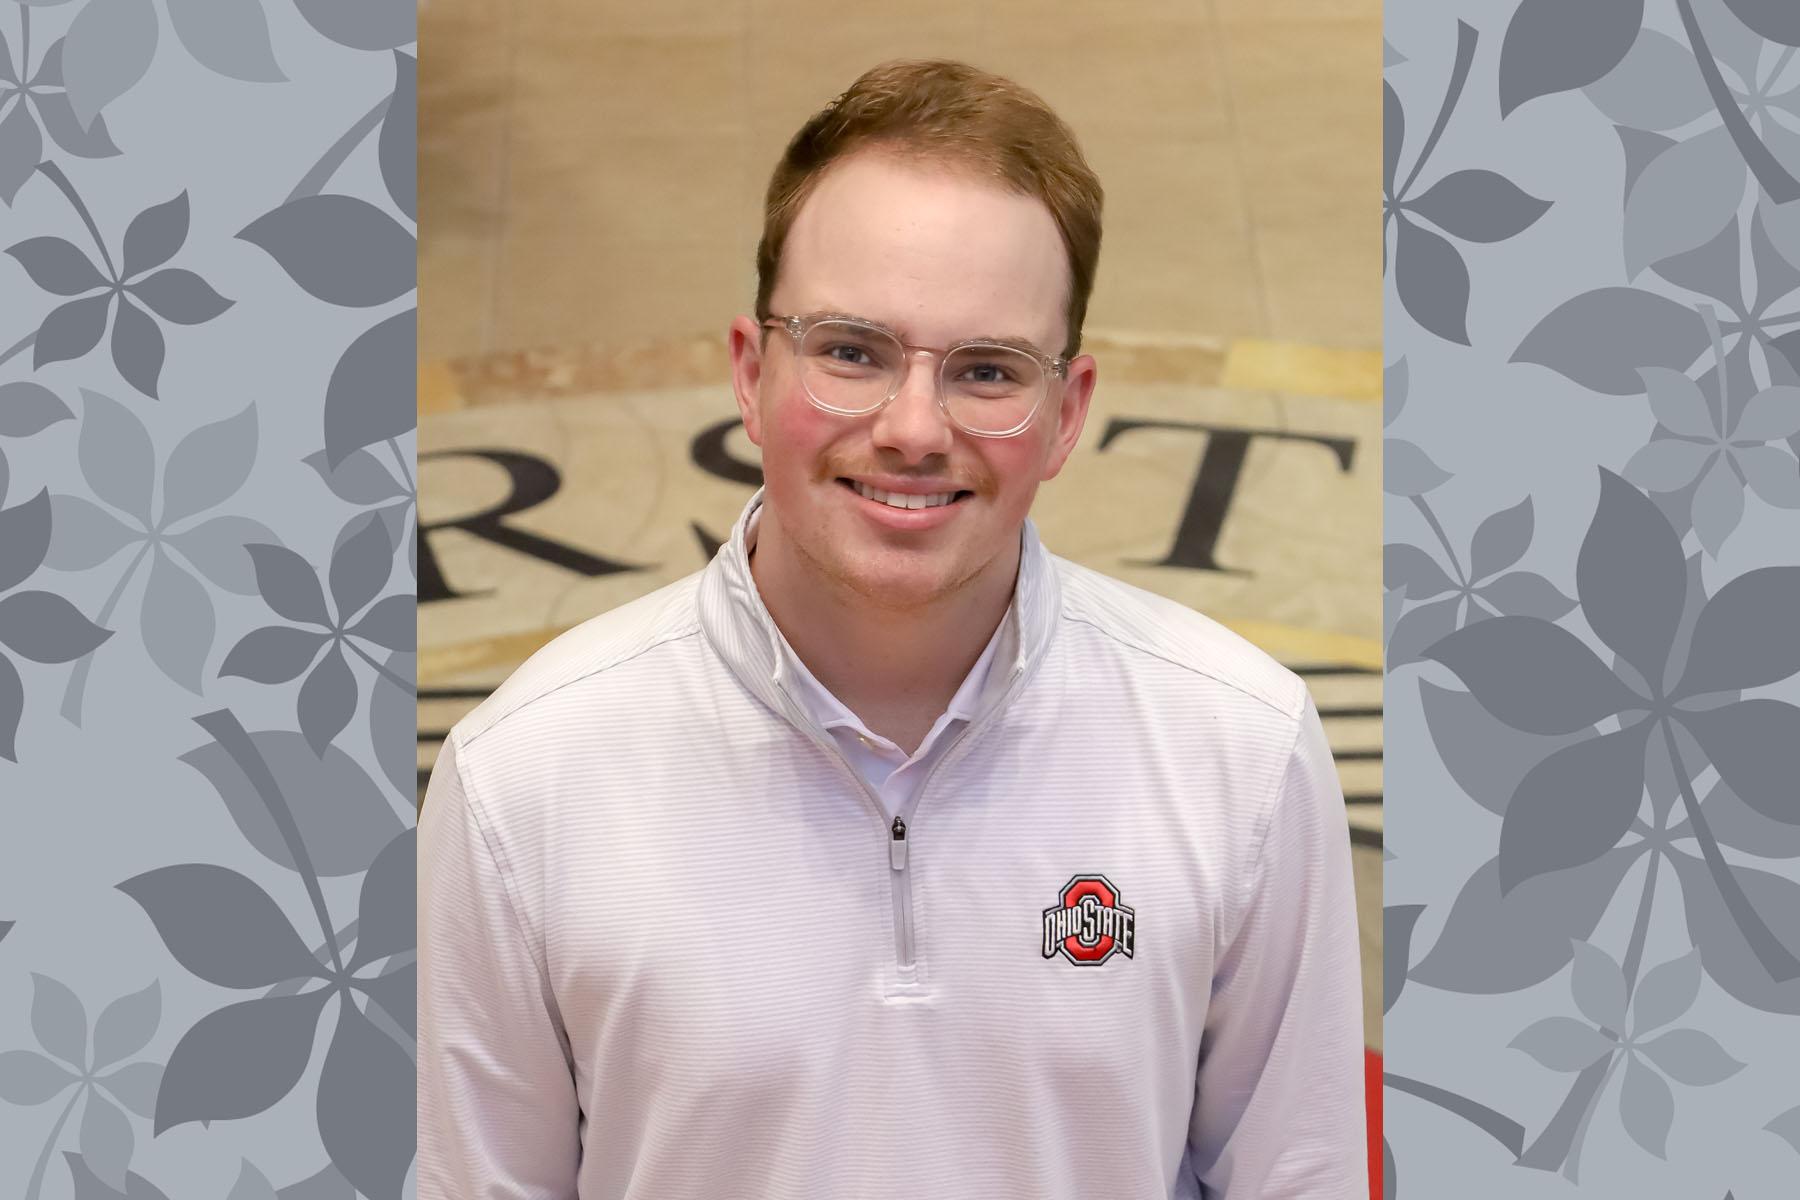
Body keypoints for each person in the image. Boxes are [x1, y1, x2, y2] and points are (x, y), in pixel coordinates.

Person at [418, 59, 1365, 1199]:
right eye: (852, 352)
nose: (914, 428)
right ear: (749, 372)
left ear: (1067, 416)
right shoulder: (524, 781)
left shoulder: (1242, 752)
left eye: (986, 370)